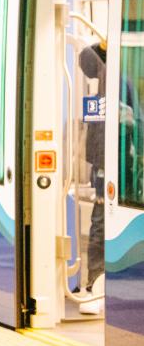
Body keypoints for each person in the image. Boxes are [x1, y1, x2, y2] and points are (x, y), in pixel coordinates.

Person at [78, 40, 106, 314]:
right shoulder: (96, 58)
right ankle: (94, 285)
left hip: (128, 156)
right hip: (104, 159)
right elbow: (85, 59)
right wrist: (104, 44)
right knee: (100, 222)